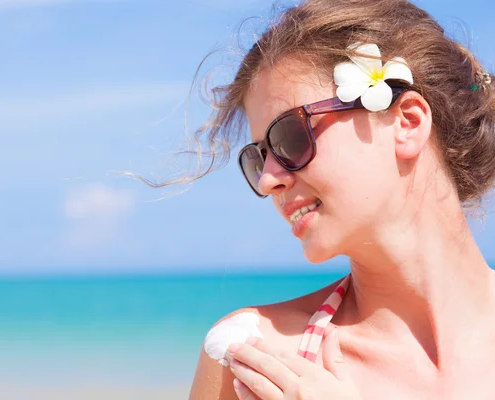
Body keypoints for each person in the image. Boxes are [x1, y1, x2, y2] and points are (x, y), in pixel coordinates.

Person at [185, 0, 495, 399]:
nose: (267, 181)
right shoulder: (253, 356)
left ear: (408, 122)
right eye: (257, 157)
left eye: (289, 137)